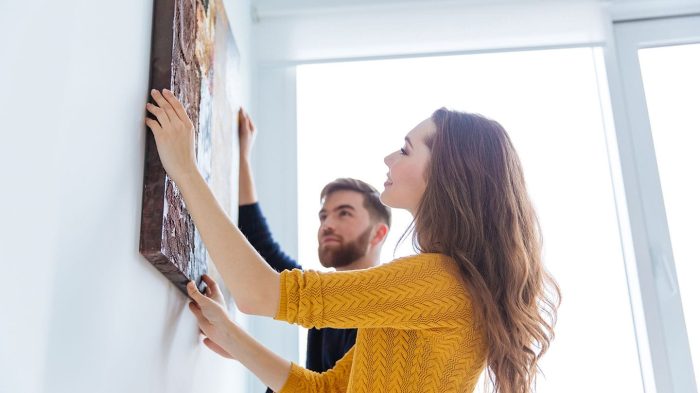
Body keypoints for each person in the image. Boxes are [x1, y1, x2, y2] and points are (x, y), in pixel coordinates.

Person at [145, 89, 560, 393]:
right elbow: (326, 391)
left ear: (447, 174)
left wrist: (185, 170)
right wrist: (231, 334)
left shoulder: (437, 282)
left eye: (405, 150)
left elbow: (257, 294)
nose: (389, 159)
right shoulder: (438, 284)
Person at [235, 109, 391, 390]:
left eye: (344, 214)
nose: (327, 225)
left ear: (379, 233)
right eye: (323, 216)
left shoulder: (383, 315)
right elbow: (260, 246)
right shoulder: (322, 298)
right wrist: (243, 157)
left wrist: (233, 340)